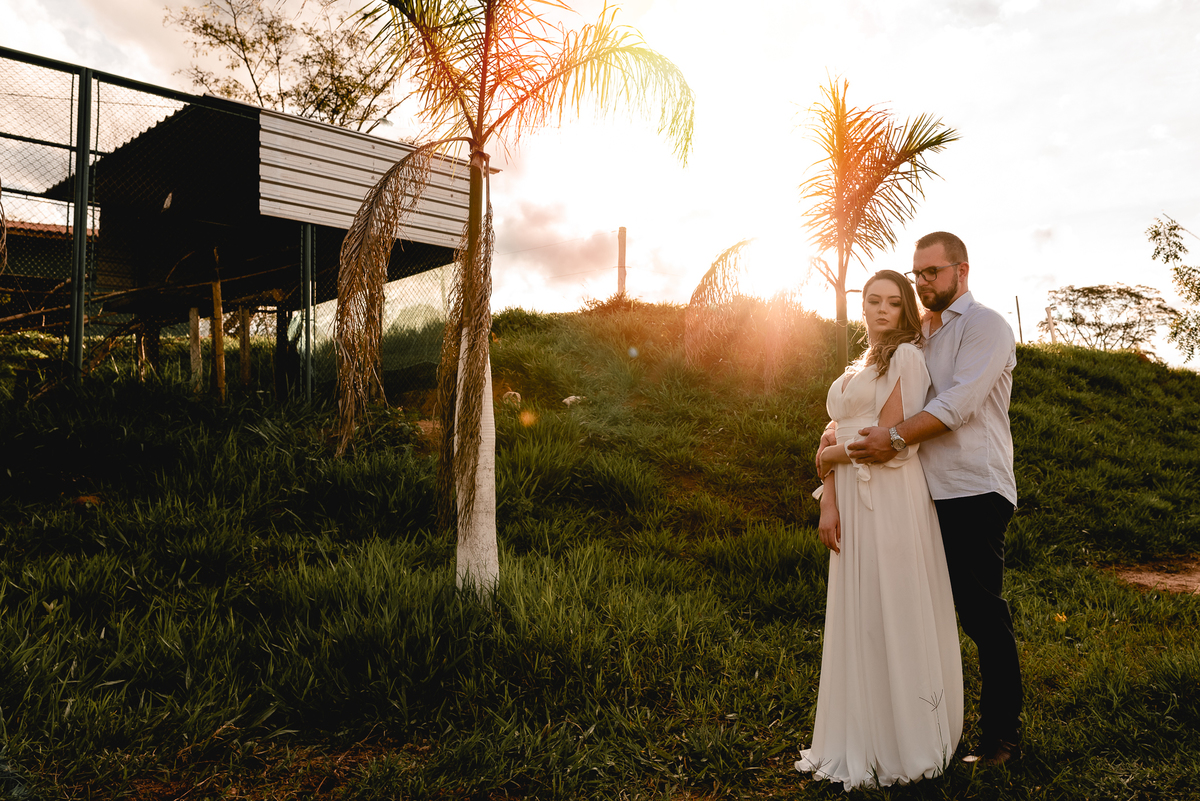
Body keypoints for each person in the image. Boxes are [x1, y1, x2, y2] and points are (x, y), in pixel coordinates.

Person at [844, 232, 1022, 767]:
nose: (922, 283)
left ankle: (1001, 739)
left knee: (980, 613)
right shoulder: (920, 334)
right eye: (916, 273)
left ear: (960, 272)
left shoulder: (985, 326)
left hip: (973, 487)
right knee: (921, 612)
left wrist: (894, 439)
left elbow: (959, 403)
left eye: (932, 273)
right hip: (919, 493)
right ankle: (924, 730)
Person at [795, 269, 963, 790]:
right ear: (862, 306)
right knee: (861, 611)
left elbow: (884, 443)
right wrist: (829, 501)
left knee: (893, 602)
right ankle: (860, 733)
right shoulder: (857, 366)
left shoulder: (907, 359)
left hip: (890, 497)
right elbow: (838, 436)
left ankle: (907, 738)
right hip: (851, 499)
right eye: (874, 301)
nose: (883, 309)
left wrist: (828, 452)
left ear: (906, 310)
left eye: (894, 301)